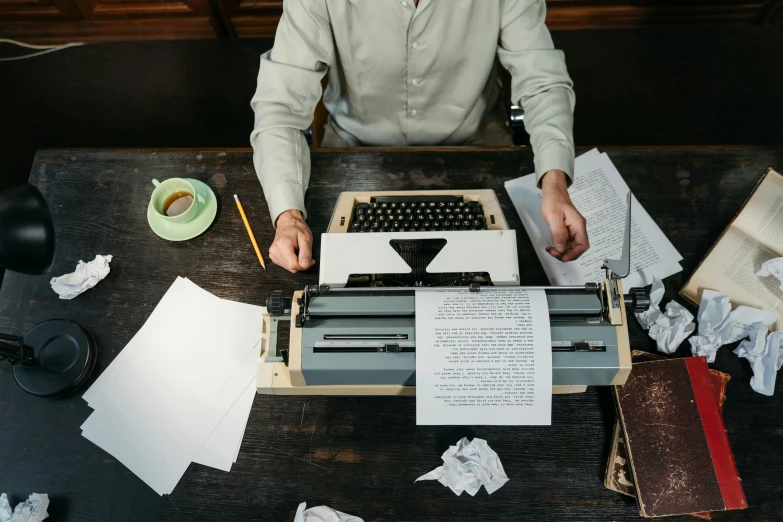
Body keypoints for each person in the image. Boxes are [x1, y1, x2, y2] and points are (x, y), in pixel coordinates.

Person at [251, 0, 589, 273]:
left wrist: (555, 181)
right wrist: (288, 215)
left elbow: (544, 83)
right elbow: (280, 105)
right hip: (355, 149)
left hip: (477, 142)